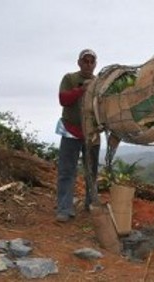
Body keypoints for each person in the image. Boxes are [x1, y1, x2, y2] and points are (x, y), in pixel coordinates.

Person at [55, 49, 100, 222]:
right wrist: (82, 90)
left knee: (92, 171)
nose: (88, 64)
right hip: (71, 131)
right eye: (85, 61)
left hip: (92, 134)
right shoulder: (70, 78)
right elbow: (63, 99)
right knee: (67, 171)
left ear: (95, 64)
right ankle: (64, 209)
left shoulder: (99, 82)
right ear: (79, 62)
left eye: (91, 61)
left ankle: (91, 204)